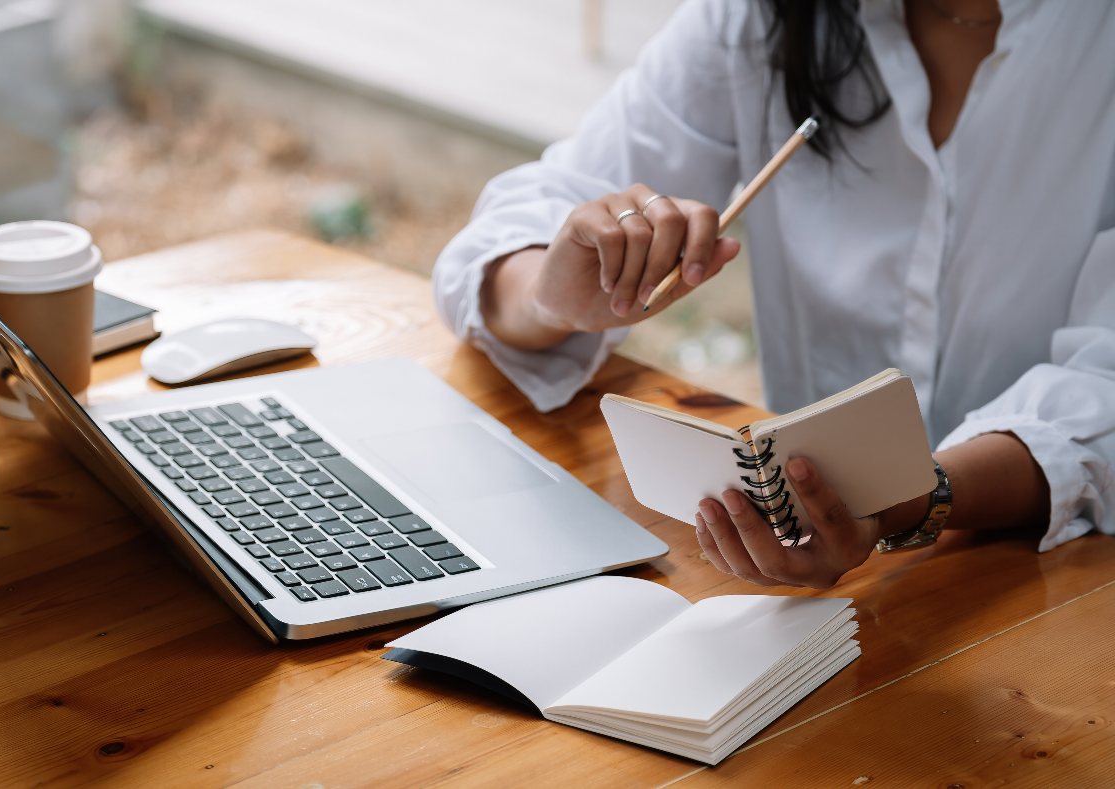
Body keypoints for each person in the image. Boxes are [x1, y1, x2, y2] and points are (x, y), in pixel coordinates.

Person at [433, 0, 1115, 588]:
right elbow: (523, 224)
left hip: (1058, 583)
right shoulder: (769, 16)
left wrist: (909, 497)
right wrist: (552, 296)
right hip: (803, 578)